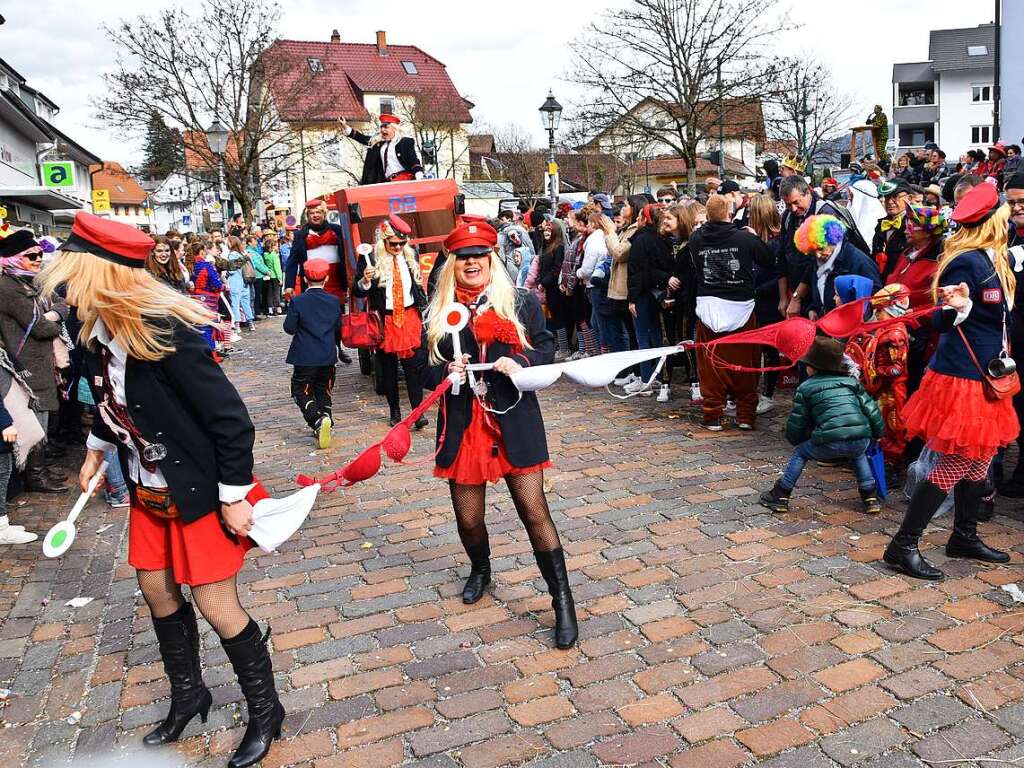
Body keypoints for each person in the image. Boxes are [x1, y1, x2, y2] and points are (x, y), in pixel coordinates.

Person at [43, 211, 284, 768]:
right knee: (157, 592)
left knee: (216, 604)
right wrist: (96, 451)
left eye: (71, 277)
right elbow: (110, 404)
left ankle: (265, 710)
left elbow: (231, 421)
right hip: (148, 490)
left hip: (199, 490)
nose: (63, 290)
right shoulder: (96, 334)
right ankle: (189, 695)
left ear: (101, 278)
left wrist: (233, 495)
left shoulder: (166, 334)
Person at [423, 218, 578, 649]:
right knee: (468, 518)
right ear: (452, 264)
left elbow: (546, 345)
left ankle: (561, 600)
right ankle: (481, 568)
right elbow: (420, 367)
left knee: (534, 511)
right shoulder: (439, 310)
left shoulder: (522, 301)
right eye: (463, 258)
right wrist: (444, 371)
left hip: (514, 418)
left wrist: (522, 363)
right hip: (464, 422)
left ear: (491, 259)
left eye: (479, 256)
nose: (472, 264)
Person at [883, 183, 1017, 580]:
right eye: (1005, 213)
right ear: (992, 220)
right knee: (958, 459)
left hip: (988, 372)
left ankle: (964, 536)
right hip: (963, 376)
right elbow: (937, 319)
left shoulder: (998, 258)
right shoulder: (966, 263)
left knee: (981, 457)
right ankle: (902, 545)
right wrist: (959, 309)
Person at [760, 336, 884, 514]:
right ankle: (870, 496)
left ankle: (781, 493)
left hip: (829, 442)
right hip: (860, 438)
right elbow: (872, 410)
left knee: (801, 452)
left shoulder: (806, 387)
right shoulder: (852, 383)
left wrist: (795, 439)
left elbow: (797, 421)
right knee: (858, 453)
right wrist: (878, 432)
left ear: (812, 368)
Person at [684, 195, 774, 430]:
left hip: (708, 307)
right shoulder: (744, 238)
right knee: (746, 361)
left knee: (710, 364)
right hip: (741, 306)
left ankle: (713, 413)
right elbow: (768, 260)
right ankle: (745, 415)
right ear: (728, 213)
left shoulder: (695, 239)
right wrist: (755, 239)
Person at [0, 229, 69, 493]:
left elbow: (61, 303)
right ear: (14, 259)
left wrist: (53, 313)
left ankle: (40, 469)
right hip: (25, 362)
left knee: (44, 415)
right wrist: (54, 317)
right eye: (31, 256)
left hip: (40, 359)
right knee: (34, 419)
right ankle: (35, 476)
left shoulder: (30, 281)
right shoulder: (8, 287)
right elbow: (40, 328)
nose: (38, 259)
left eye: (39, 254)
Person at [353, 214, 428, 427]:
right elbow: (357, 292)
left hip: (409, 316)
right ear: (384, 240)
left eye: (402, 243)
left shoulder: (410, 254)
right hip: (384, 320)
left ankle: (418, 413)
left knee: (413, 368)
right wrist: (365, 280)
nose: (398, 247)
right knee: (388, 370)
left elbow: (417, 287)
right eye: (394, 243)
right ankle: (394, 411)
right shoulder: (370, 259)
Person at [845, 284, 911, 469]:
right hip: (882, 389)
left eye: (879, 311)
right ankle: (879, 460)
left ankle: (892, 464)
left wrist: (873, 372)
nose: (877, 316)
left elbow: (897, 368)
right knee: (879, 423)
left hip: (892, 390)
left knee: (893, 426)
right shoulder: (886, 330)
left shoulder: (894, 335)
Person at [887, 204, 946, 394]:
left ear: (929, 232)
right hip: (896, 331)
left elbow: (940, 303)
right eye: (907, 223)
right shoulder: (906, 254)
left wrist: (914, 314)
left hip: (920, 338)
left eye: (912, 224)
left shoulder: (938, 262)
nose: (906, 228)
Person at [283, 200, 350, 364]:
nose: (315, 216)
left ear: (324, 213)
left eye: (318, 212)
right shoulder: (301, 235)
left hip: (334, 281)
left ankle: (337, 346)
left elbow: (347, 255)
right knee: (315, 319)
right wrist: (289, 285)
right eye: (312, 213)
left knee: (336, 319)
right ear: (308, 216)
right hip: (312, 282)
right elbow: (292, 261)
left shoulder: (337, 231)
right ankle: (323, 349)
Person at [283, 258, 340, 449]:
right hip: (327, 354)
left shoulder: (298, 301)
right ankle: (327, 421)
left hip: (305, 356)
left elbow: (289, 328)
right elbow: (338, 328)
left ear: (305, 279)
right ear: (327, 278)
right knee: (323, 390)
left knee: (300, 390)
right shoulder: (334, 301)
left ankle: (316, 420)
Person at [794, 215, 881, 319]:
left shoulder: (858, 260)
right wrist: (813, 309)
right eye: (813, 251)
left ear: (833, 240)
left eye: (821, 248)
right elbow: (820, 289)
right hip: (827, 326)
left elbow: (876, 297)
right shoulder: (819, 260)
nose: (818, 255)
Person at [625, 204, 673, 394]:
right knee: (655, 334)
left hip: (644, 294)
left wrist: (632, 298)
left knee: (643, 337)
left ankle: (646, 378)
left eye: (639, 216)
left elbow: (636, 272)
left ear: (645, 219)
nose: (637, 219)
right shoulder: (662, 238)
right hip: (657, 291)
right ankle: (659, 377)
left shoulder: (641, 239)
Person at [747, 193, 786, 414]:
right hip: (755, 301)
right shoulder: (757, 239)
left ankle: (768, 393)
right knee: (756, 349)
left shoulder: (775, 242)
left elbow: (778, 274)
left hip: (769, 302)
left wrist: (758, 290)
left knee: (770, 350)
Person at [339, 114, 424, 184]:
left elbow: (413, 161)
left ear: (394, 128)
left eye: (386, 127)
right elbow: (361, 137)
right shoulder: (378, 143)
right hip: (386, 182)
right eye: (381, 127)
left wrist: (419, 176)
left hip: (404, 181)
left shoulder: (404, 142)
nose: (383, 130)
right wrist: (345, 126)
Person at [873, 179, 912, 280]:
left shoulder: (914, 225)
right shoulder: (881, 225)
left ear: (909, 198)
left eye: (895, 197)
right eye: (887, 197)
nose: (890, 202)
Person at [261, 233, 283, 316]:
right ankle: (278, 308)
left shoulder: (265, 255)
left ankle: (270, 309)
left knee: (269, 293)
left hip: (268, 276)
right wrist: (280, 278)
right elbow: (277, 267)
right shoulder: (274, 256)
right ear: (273, 247)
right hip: (275, 276)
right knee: (276, 293)